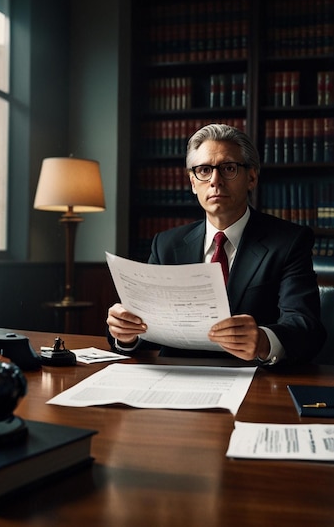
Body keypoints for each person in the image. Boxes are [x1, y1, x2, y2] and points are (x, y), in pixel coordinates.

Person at [107, 123, 326, 364]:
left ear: (251, 177)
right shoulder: (166, 244)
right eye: (203, 170)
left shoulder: (289, 242)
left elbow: (306, 328)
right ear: (193, 182)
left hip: (253, 382)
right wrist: (126, 335)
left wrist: (264, 341)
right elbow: (150, 331)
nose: (215, 180)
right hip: (176, 379)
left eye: (228, 168)